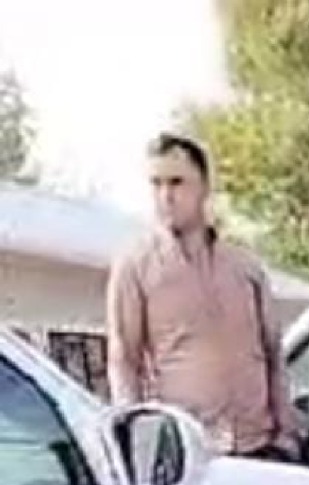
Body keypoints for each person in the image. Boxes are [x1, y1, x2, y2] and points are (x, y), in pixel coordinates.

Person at [107, 133, 298, 461]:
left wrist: (287, 436)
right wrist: (136, 446)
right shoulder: (135, 268)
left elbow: (273, 355)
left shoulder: (245, 267)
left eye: (177, 183)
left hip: (260, 448)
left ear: (204, 187)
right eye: (156, 184)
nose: (166, 196)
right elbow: (124, 361)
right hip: (190, 455)